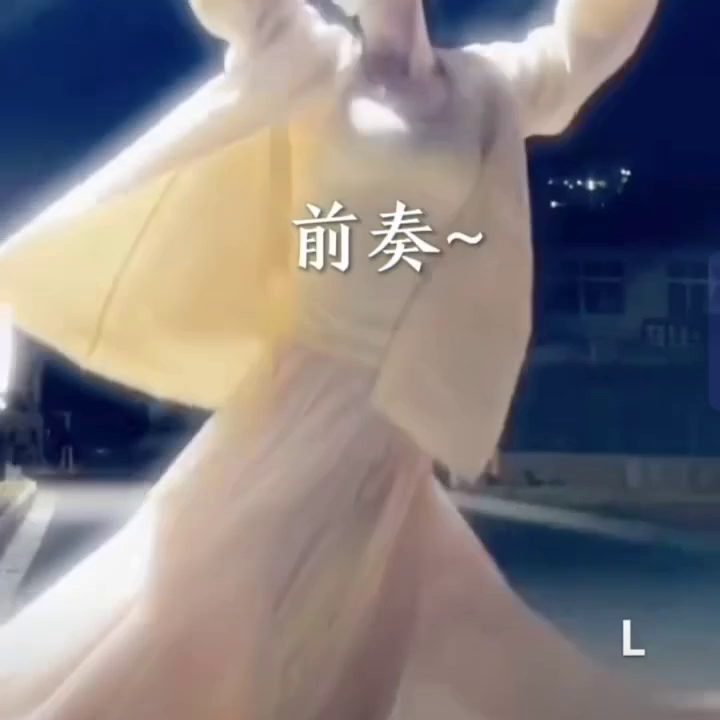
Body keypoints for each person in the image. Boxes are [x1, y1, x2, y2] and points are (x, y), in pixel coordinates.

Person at [0, 0, 714, 718]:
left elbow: (586, 44)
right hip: (305, 393)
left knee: (383, 618)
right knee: (218, 597)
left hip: (398, 410)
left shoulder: (490, 88)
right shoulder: (312, 59)